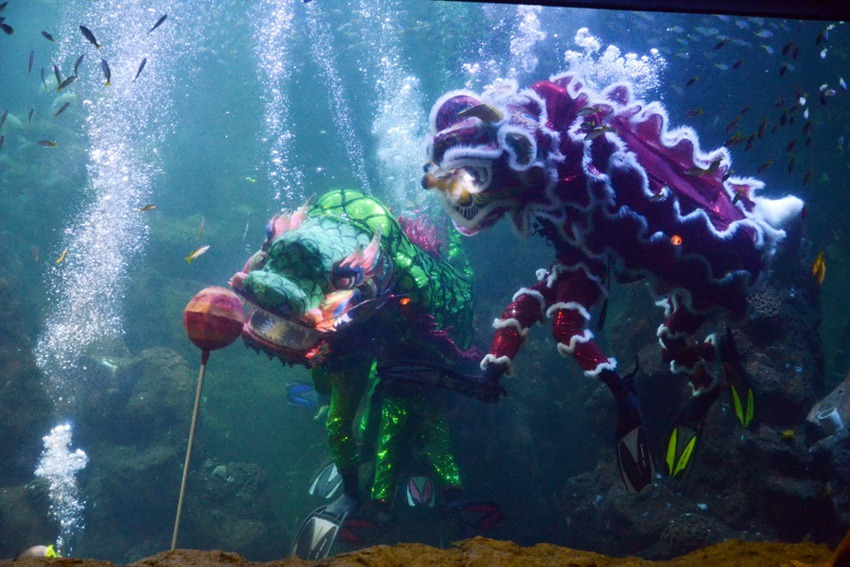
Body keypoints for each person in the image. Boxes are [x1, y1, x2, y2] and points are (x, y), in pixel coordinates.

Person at [421, 74, 804, 492]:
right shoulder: (554, 190)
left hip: (679, 253)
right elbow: (566, 269)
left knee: (667, 335)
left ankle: (697, 377)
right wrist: (491, 373)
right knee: (583, 322)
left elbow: (631, 217)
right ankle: (693, 377)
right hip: (602, 248)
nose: (468, 192)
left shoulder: (580, 172)